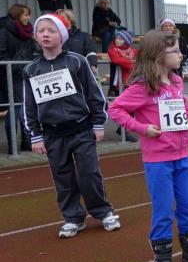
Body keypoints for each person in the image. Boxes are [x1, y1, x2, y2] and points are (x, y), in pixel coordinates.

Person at [109, 30, 188, 262]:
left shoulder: (176, 81)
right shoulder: (142, 87)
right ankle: (163, 256)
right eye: (175, 51)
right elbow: (115, 109)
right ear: (158, 56)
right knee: (163, 208)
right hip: (158, 160)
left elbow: (184, 105)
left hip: (183, 155)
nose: (180, 55)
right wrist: (141, 128)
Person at [22, 13, 120, 238]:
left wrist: (98, 123)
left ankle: (103, 211)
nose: (45, 34)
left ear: (62, 35)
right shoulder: (31, 70)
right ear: (35, 36)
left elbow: (94, 94)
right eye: (41, 31)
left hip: (81, 129)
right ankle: (73, 217)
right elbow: (29, 106)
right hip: (52, 134)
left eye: (51, 30)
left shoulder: (77, 61)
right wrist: (35, 135)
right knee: (62, 177)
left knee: (89, 174)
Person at [0, 4, 35, 153]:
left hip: (25, 76)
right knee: (14, 108)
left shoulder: (28, 33)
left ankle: (26, 144)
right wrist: (17, 66)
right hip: (10, 76)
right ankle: (13, 147)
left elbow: (33, 52)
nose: (28, 18)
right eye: (26, 15)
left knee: (25, 108)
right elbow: (2, 55)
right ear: (17, 15)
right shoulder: (4, 31)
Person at [108, 29, 139, 142]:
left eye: (120, 39)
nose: (117, 40)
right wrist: (133, 64)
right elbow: (116, 59)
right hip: (118, 84)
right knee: (124, 108)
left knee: (132, 108)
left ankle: (123, 129)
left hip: (131, 82)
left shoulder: (134, 51)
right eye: (116, 38)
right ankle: (123, 131)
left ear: (126, 41)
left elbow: (141, 60)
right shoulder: (112, 49)